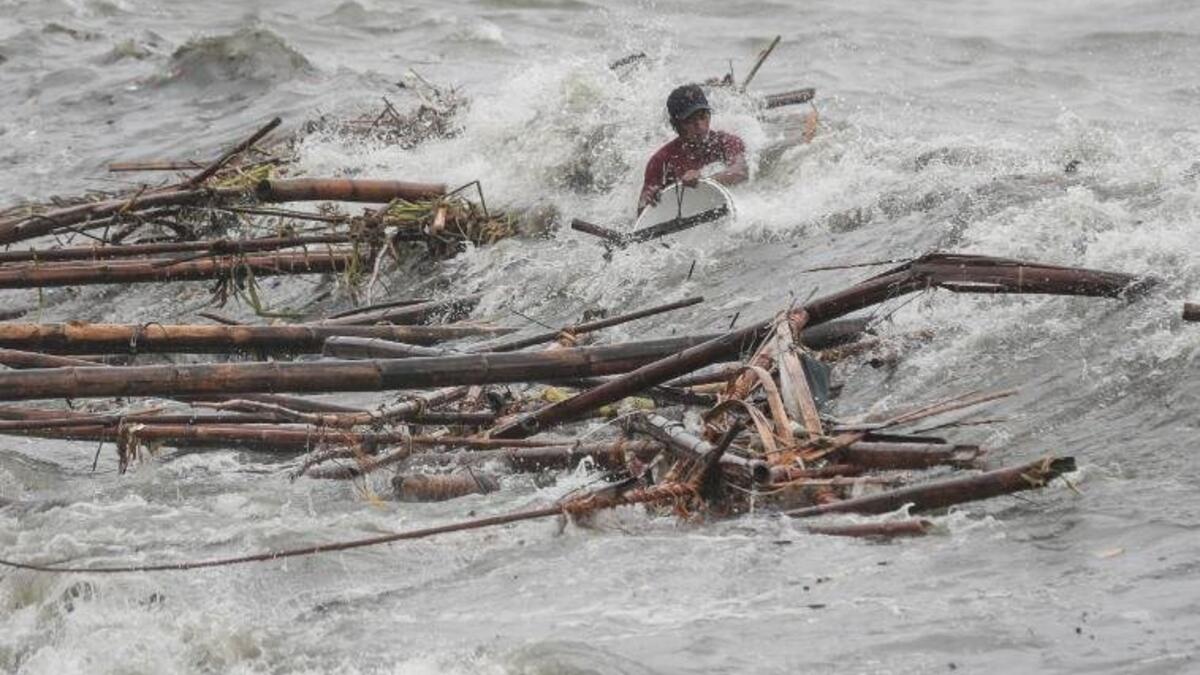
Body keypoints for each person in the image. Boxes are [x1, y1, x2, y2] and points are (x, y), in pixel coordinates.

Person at [638, 84, 749, 214]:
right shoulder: (661, 160)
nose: (700, 126)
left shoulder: (727, 142)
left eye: (703, 117)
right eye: (690, 121)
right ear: (675, 125)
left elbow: (740, 172)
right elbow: (642, 212)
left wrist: (704, 181)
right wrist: (650, 198)